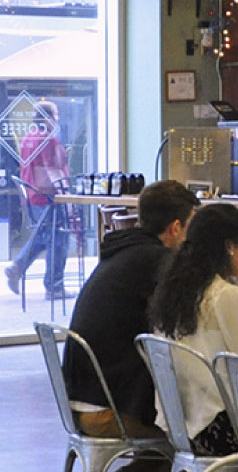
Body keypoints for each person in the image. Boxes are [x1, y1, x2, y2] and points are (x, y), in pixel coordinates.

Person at [63, 180, 198, 439]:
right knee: (197, 430)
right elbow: (185, 325)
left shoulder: (122, 252)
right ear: (176, 227)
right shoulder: (156, 262)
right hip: (109, 409)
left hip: (82, 398)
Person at [148, 203, 238, 456]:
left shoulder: (175, 290)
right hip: (220, 429)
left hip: (182, 425)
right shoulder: (226, 295)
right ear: (228, 247)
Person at [6, 100, 71, 299]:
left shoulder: (28, 138)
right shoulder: (48, 140)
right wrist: (67, 198)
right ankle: (54, 286)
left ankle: (17, 266)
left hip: (33, 196)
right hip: (48, 196)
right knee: (59, 238)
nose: (57, 119)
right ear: (48, 118)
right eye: (55, 115)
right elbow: (53, 171)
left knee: (44, 235)